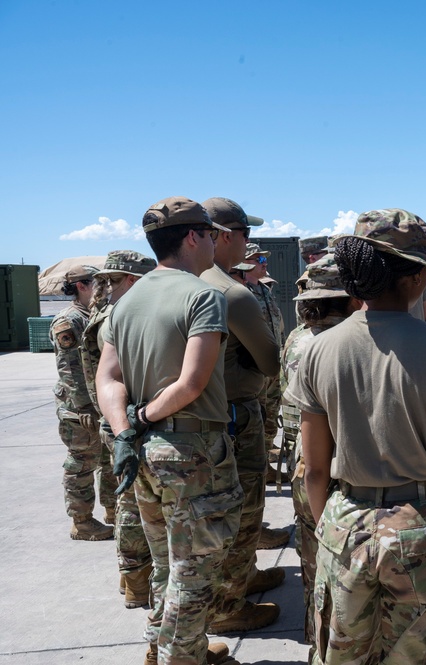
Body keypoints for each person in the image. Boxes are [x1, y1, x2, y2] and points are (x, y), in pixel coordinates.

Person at [285, 209, 426, 664]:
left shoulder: (319, 349)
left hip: (346, 525)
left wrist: (335, 532)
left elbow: (315, 470)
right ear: (418, 276)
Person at [95, 196, 240, 665]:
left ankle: (164, 647)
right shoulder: (202, 295)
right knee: (195, 570)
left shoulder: (127, 300)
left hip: (141, 452)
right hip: (191, 449)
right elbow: (193, 382)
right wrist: (143, 418)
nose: (216, 243)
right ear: (194, 237)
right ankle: (182, 657)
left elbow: (109, 377)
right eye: (212, 235)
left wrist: (124, 430)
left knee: (166, 564)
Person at [198, 197, 285, 635]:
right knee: (244, 509)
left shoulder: (162, 286)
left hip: (188, 422)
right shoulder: (231, 292)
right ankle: (231, 603)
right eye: (247, 234)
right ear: (223, 235)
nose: (250, 244)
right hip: (234, 413)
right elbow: (271, 362)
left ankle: (241, 576)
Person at [279, 256, 361, 662]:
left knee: (314, 567)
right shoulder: (349, 343)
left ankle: (319, 645)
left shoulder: (297, 339)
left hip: (302, 462)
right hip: (340, 466)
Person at [79, 250, 157, 607]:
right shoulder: (119, 315)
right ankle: (138, 582)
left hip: (113, 420)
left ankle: (132, 580)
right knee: (134, 505)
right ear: (131, 279)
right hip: (125, 422)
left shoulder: (102, 311)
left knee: (128, 501)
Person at [50, 263, 116, 541]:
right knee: (82, 465)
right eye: (97, 283)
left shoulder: (94, 315)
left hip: (100, 404)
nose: (104, 288)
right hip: (79, 409)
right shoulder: (68, 320)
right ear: (81, 286)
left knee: (110, 462)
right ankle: (81, 522)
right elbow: (69, 369)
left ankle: (112, 511)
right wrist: (84, 406)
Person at [242, 243, 287, 485]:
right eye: (259, 259)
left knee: (270, 422)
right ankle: (255, 472)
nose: (264, 263)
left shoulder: (265, 291)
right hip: (255, 371)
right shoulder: (241, 292)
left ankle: (266, 466)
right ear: (246, 262)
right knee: (255, 423)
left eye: (264, 259)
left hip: (272, 368)